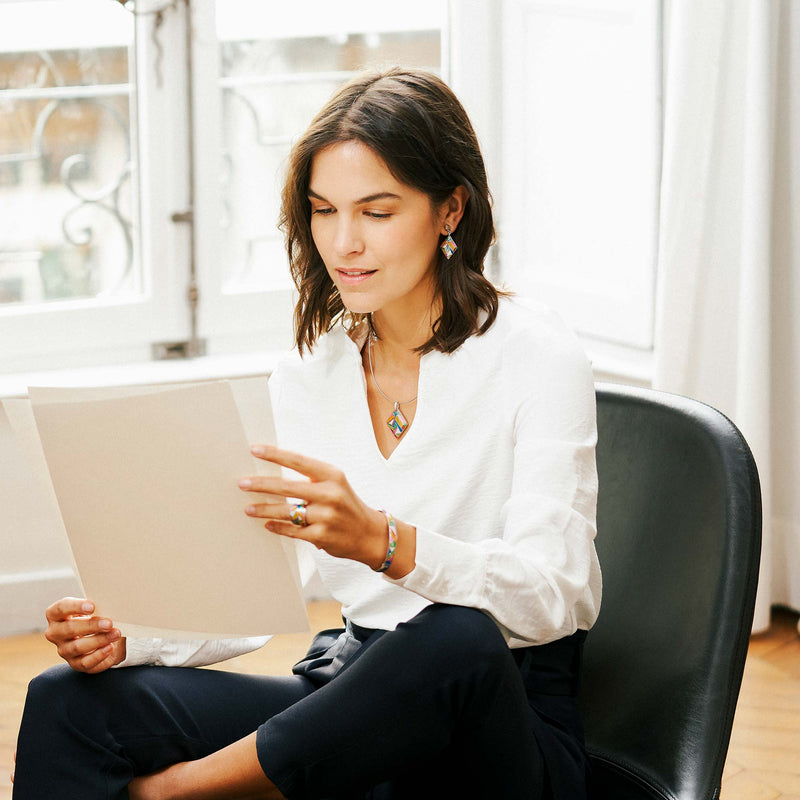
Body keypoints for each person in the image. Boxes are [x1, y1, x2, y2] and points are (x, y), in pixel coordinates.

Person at [12, 67, 601, 799]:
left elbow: (555, 594)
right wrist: (131, 637)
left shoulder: (537, 356)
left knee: (457, 635)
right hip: (350, 702)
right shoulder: (310, 369)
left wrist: (389, 545)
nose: (344, 243)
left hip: (495, 724)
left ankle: (180, 792)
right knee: (68, 702)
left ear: (450, 209)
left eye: (377, 212)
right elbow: (260, 592)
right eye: (324, 210)